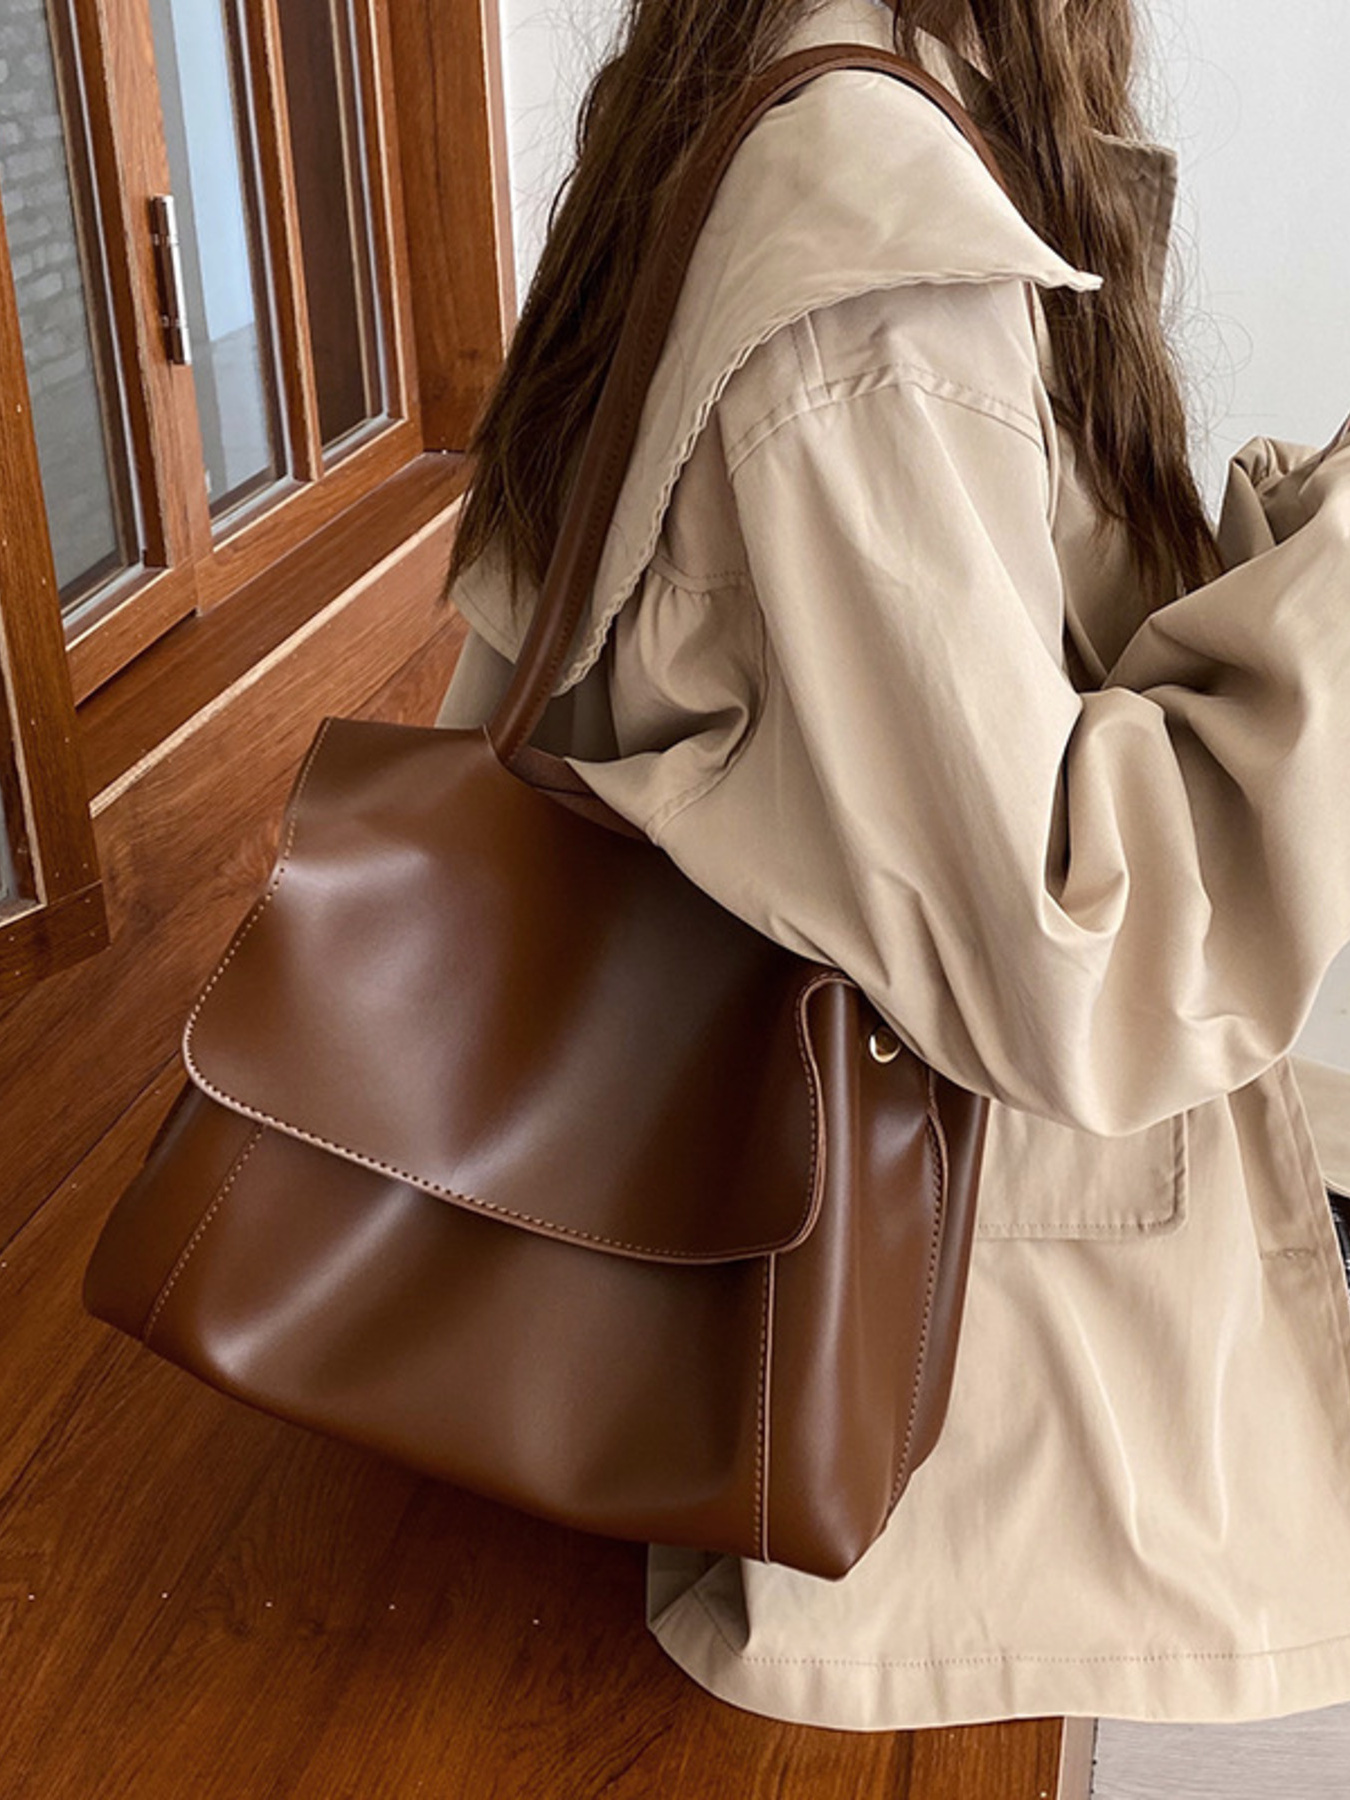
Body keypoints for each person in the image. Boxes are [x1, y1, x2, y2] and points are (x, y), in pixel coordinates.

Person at [432, 0, 1350, 1732]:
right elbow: (1074, 969)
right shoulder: (871, 238)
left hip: (861, 1279)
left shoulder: (734, 100)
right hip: (950, 1423)